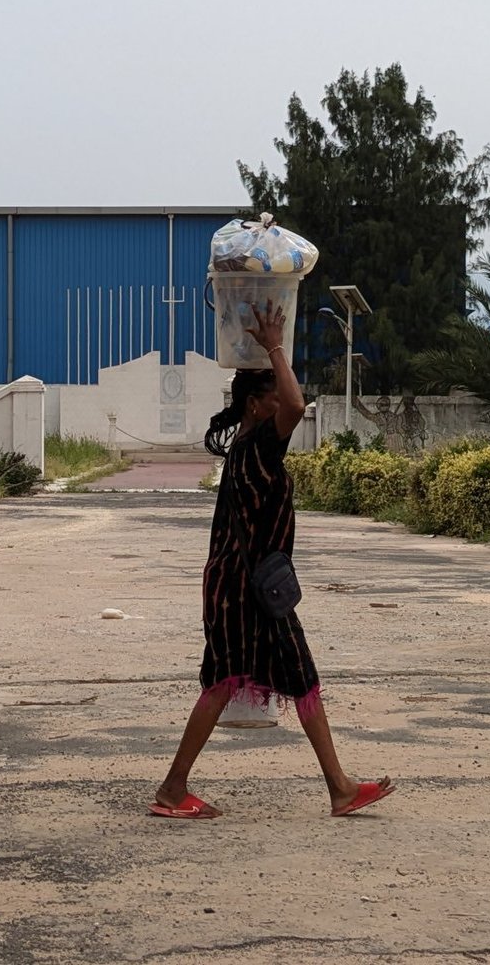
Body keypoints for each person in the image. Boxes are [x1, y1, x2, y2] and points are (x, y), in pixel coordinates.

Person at [150, 296, 393, 819]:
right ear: (258, 404)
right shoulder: (260, 444)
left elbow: (289, 404)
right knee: (237, 681)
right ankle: (174, 789)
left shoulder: (245, 443)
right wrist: (276, 348)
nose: (280, 403)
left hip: (238, 586)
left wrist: (269, 353)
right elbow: (297, 405)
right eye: (270, 395)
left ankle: (338, 786)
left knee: (258, 677)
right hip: (248, 590)